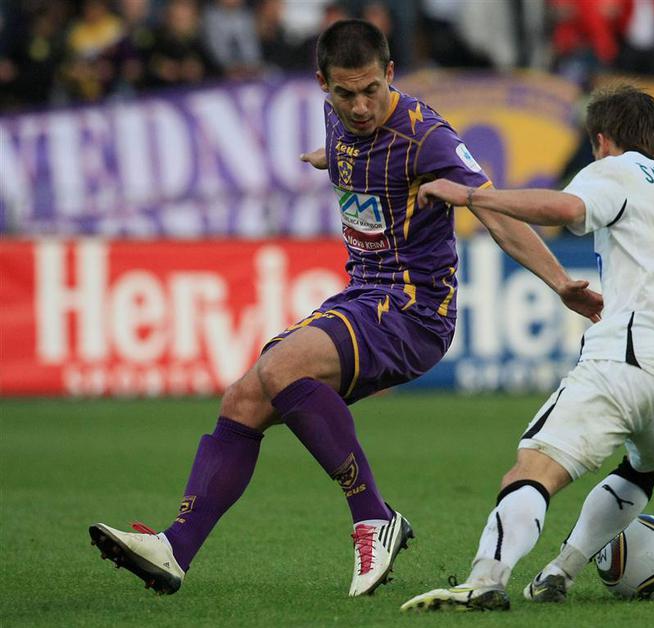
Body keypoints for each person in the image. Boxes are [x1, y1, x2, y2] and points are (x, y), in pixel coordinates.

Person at [88, 19, 602, 599]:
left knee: (283, 367)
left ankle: (373, 516)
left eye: (371, 91)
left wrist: (560, 282)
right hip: (362, 295)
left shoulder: (426, 137)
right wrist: (328, 158)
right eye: (344, 93)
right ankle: (175, 547)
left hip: (413, 309)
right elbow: (355, 154)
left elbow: (494, 211)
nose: (359, 107)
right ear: (323, 85)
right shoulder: (338, 120)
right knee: (243, 398)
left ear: (390, 74)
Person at [399, 82, 654, 612]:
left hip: (631, 361)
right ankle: (559, 573)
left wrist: (472, 196)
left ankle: (484, 580)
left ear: (602, 140)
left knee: (535, 467)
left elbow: (566, 209)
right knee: (641, 468)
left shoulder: (616, 170)